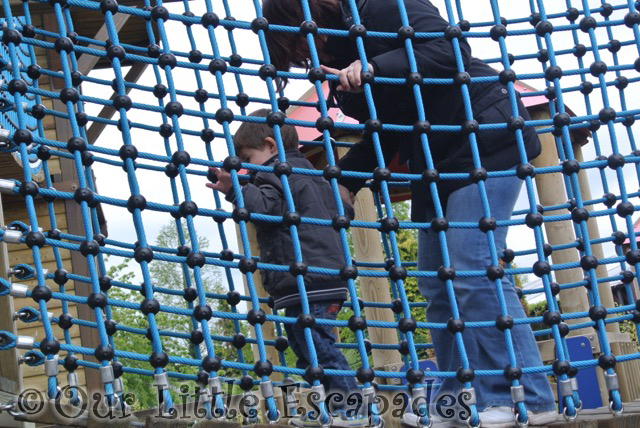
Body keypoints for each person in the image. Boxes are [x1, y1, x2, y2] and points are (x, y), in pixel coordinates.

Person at [263, 0, 559, 427]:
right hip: (436, 162)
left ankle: (528, 397)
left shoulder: (383, 9)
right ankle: (457, 400)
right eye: (302, 55)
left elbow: (450, 50)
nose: (314, 58)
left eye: (307, 46)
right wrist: (346, 178)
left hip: (486, 140)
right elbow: (391, 128)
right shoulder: (343, 65)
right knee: (436, 283)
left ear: (312, 18)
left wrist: (373, 66)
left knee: (472, 267)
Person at [208, 109, 366, 427]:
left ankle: (352, 407)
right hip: (321, 276)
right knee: (306, 345)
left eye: (248, 157)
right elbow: (342, 210)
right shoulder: (315, 175)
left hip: (309, 278)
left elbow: (265, 207)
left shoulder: (275, 174)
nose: (248, 167)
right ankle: (328, 405)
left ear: (270, 146)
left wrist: (233, 189)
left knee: (317, 345)